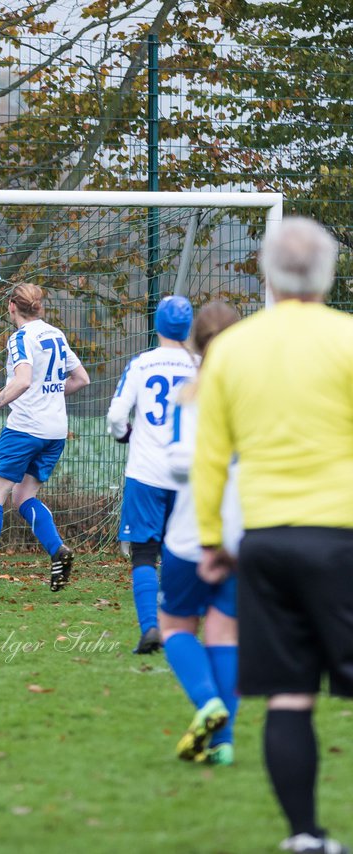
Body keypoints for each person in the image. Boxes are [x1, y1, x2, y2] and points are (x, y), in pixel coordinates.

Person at [194, 217, 352, 854]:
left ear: (265, 273)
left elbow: (210, 457)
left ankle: (305, 838)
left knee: (290, 697)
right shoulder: (348, 340)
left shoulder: (232, 350)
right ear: (329, 271)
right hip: (342, 537)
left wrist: (211, 541)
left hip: (266, 541)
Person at [0, 282, 90, 600]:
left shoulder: (20, 338)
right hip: (55, 431)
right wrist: (50, 393)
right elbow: (82, 379)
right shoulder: (55, 333)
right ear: (38, 307)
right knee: (22, 496)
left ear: (12, 307)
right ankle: (57, 550)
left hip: (25, 429)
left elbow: (24, 380)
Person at [158, 300, 242, 767]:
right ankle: (224, 742)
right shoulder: (257, 398)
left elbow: (176, 462)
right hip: (243, 536)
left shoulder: (190, 396)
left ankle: (207, 703)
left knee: (174, 626)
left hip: (191, 532)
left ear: (195, 344)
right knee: (225, 634)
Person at [106, 294, 198, 654]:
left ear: (157, 325)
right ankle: (179, 627)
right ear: (188, 327)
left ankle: (150, 628)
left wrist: (124, 435)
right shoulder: (202, 365)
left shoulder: (142, 364)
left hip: (146, 471)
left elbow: (116, 416)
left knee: (144, 552)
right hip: (189, 472)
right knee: (180, 550)